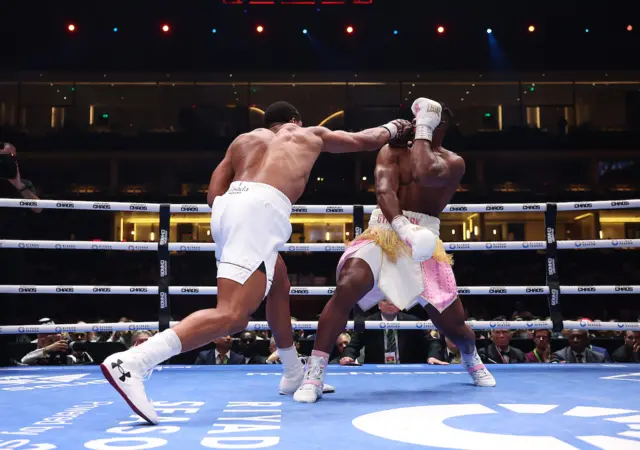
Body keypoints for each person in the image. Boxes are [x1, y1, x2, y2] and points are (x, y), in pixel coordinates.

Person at [101, 101, 412, 424]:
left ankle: (292, 371)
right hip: (260, 211)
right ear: (295, 121)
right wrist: (396, 128)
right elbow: (365, 139)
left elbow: (212, 196)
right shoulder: (308, 134)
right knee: (233, 315)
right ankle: (134, 362)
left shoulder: (243, 141)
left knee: (278, 283)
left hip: (229, 209)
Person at [294, 98, 495, 404]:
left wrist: (425, 131)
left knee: (453, 325)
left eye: (422, 121)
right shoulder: (391, 151)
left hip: (425, 242)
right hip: (386, 231)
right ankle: (315, 374)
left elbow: (425, 173)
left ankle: (471, 357)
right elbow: (384, 190)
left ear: (439, 127)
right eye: (415, 120)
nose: (414, 125)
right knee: (347, 286)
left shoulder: (453, 162)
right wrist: (402, 226)